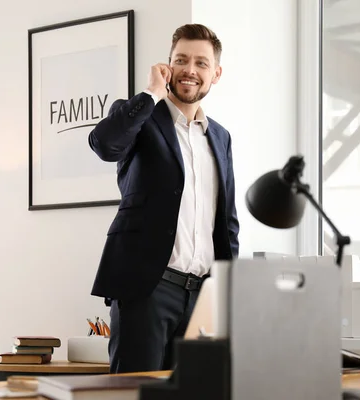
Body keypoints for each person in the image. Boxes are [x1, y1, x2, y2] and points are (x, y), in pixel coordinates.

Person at [88, 23, 239, 373]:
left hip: (204, 296)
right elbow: (105, 145)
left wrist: (230, 292)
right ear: (168, 66)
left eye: (201, 63)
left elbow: (226, 221)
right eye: (181, 60)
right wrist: (150, 93)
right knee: (134, 393)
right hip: (148, 290)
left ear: (216, 74)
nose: (190, 70)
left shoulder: (220, 137)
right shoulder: (140, 117)